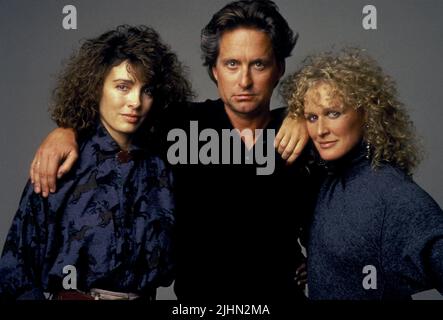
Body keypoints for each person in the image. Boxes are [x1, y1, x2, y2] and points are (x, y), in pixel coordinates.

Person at [27, 0, 312, 301]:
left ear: (279, 68)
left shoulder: (302, 133)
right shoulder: (180, 124)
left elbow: (358, 107)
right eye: (232, 64)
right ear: (214, 69)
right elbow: (117, 112)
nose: (244, 80)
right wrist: (66, 129)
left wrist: (305, 108)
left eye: (259, 64)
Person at [0, 25, 192, 300]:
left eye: (146, 90)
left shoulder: (164, 165)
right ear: (96, 87)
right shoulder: (61, 163)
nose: (135, 102)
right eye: (123, 87)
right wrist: (65, 130)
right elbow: (14, 272)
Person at [281, 47, 443, 299]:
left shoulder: (394, 195)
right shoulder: (327, 180)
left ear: (367, 112)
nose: (320, 130)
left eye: (333, 113)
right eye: (312, 118)